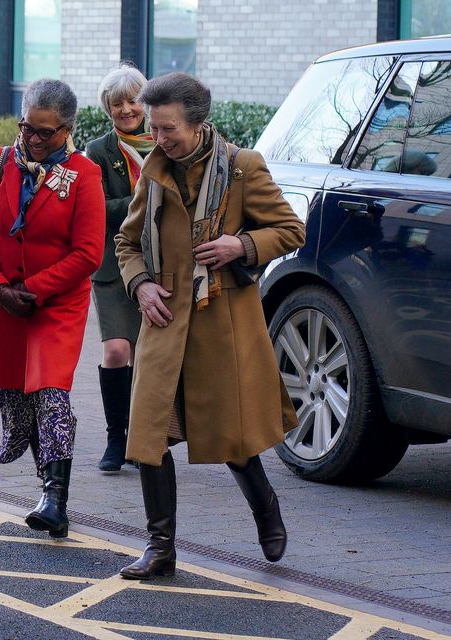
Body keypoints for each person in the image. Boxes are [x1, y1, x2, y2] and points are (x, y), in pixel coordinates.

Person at [114, 72, 306, 577]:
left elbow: (290, 230)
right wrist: (141, 285)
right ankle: (159, 548)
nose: (158, 139)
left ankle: (266, 510)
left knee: (231, 439)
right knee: (149, 436)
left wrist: (240, 246)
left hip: (220, 322)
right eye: (154, 128)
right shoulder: (153, 170)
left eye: (168, 128)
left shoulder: (243, 169)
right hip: (162, 318)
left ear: (198, 124)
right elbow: (127, 243)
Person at [0, 79, 106, 538]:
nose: (34, 139)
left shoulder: (84, 175)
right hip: (7, 301)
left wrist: (33, 289)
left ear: (67, 129)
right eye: (28, 127)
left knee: (50, 393)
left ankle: (55, 499)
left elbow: (88, 254)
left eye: (46, 132)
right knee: (19, 397)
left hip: (56, 303)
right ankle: (43, 486)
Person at [84, 63, 155, 474]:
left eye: (132, 101)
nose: (127, 109)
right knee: (117, 351)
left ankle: (144, 440)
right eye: (117, 104)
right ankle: (116, 438)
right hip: (113, 265)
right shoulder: (99, 151)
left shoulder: (166, 143)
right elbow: (96, 209)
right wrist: (145, 201)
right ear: (107, 109)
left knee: (150, 357)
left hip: (160, 266)